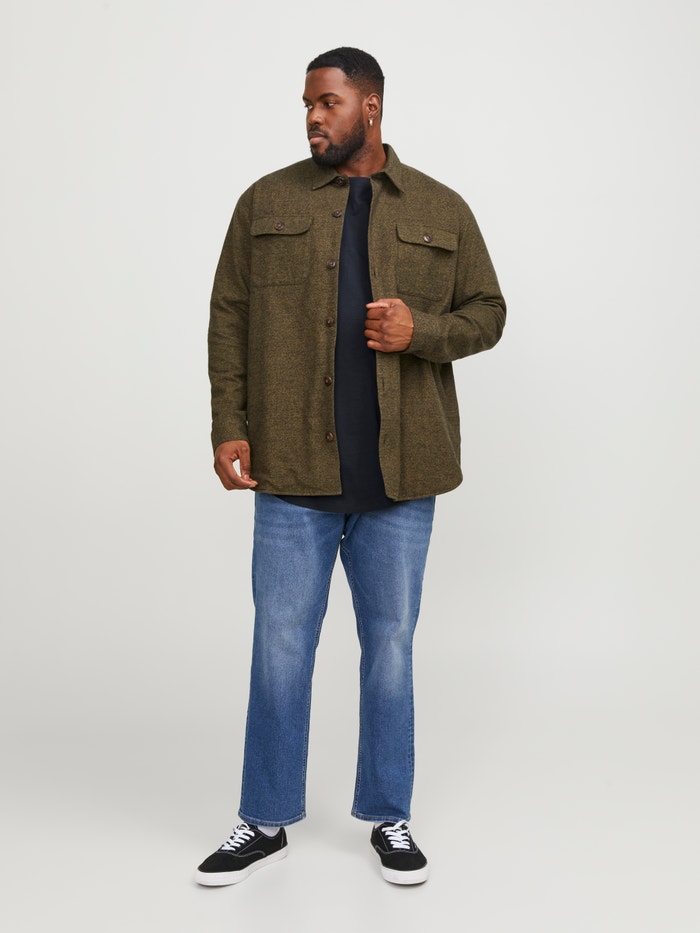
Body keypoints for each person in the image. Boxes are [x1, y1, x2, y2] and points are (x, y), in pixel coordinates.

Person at [195, 46, 506, 887]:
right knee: (279, 645)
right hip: (292, 470)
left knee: (391, 646)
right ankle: (264, 817)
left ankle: (388, 814)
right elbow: (228, 315)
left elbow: (489, 311)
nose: (311, 117)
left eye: (326, 102)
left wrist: (422, 332)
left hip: (401, 478)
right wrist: (230, 423)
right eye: (306, 103)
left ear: (369, 106)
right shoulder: (265, 202)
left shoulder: (441, 207)